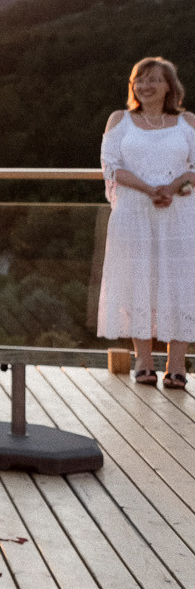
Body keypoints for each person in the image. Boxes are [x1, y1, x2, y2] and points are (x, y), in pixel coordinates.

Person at [97, 57, 195, 387]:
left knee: (180, 283)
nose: (145, 85)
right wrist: (150, 189)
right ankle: (143, 360)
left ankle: (177, 364)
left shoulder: (187, 122)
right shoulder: (119, 120)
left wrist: (173, 187)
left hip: (178, 215)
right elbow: (111, 166)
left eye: (153, 79)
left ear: (170, 86)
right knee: (137, 280)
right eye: (139, 79)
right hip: (133, 214)